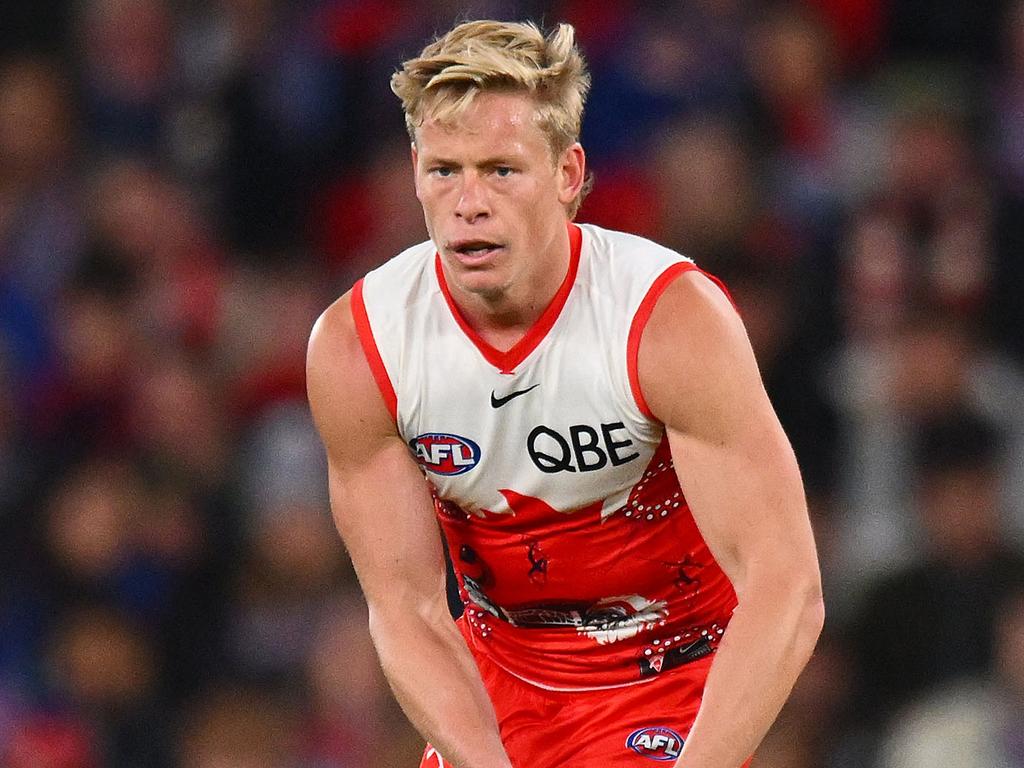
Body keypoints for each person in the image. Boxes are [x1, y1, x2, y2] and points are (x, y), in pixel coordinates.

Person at [306, 20, 823, 768]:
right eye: (444, 170)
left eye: (501, 170)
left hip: (677, 686)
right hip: (502, 694)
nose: (468, 202)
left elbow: (787, 589)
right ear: (414, 171)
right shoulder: (360, 347)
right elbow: (408, 610)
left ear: (568, 174)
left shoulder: (667, 321)